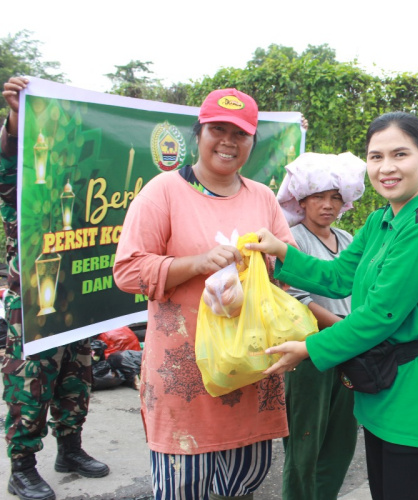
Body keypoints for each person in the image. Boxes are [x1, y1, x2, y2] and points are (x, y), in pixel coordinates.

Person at [247, 112, 418, 500]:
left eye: (400, 155)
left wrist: (309, 349)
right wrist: (282, 249)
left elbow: (382, 314)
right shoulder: (381, 220)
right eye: (376, 156)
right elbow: (337, 277)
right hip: (386, 382)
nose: (387, 168)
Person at [113, 88, 297, 500]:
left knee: (241, 487)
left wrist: (265, 265)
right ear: (198, 133)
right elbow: (127, 271)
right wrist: (195, 264)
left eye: (240, 133)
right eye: (218, 129)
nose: (228, 141)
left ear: (252, 141)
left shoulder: (262, 198)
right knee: (182, 489)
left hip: (249, 371)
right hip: (186, 377)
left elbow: (290, 267)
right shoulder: (163, 192)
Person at [2, 77, 109, 500]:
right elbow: (6, 167)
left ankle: (70, 449)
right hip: (32, 302)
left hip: (75, 300)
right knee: (30, 384)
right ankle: (22, 466)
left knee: (76, 379)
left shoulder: (79, 191)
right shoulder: (26, 184)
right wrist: (15, 118)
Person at [275, 151, 366, 500]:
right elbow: (298, 300)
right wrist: (348, 332)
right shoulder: (292, 239)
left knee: (341, 441)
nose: (327, 205)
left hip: (347, 350)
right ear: (302, 201)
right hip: (309, 356)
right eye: (318, 197)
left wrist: (351, 334)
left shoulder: (346, 239)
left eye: (335, 198)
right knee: (304, 444)